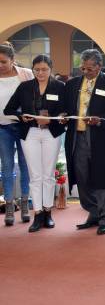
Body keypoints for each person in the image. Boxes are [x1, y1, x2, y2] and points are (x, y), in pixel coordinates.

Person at [3, 55, 65, 232]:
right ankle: (37, 213)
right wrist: (21, 116)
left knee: (48, 175)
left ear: (51, 69)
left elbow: (67, 110)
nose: (40, 73)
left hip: (51, 134)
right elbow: (9, 109)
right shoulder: (24, 87)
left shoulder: (60, 86)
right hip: (30, 134)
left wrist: (59, 117)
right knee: (35, 175)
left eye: (44, 69)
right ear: (32, 69)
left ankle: (48, 212)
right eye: (37, 69)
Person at [64, 49, 105, 235]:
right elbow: (66, 108)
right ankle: (93, 212)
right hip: (77, 136)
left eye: (89, 69)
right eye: (83, 68)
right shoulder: (72, 84)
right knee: (82, 176)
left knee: (101, 177)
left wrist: (100, 120)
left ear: (99, 66)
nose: (85, 72)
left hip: (99, 136)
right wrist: (63, 115)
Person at [0, 42, 32, 226]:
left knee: (26, 165)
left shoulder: (26, 74)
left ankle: (25, 204)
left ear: (12, 60)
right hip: (2, 128)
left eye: (3, 62)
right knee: (6, 167)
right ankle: (9, 206)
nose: (0, 65)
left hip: (23, 127)